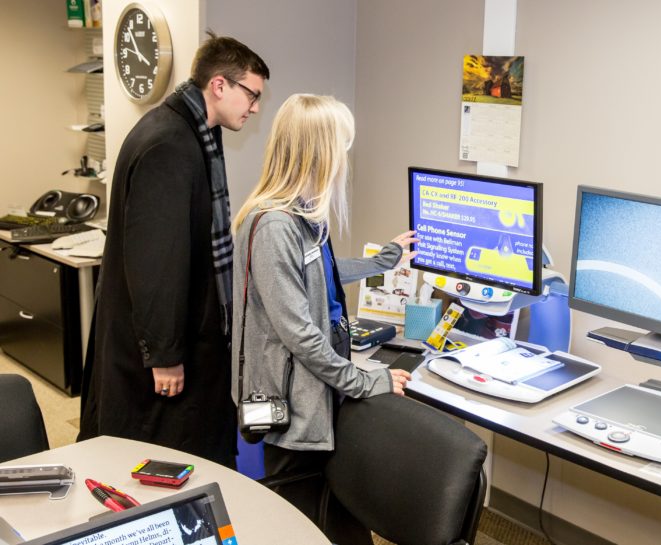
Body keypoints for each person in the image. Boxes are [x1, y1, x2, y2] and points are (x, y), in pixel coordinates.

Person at [78, 32, 270, 469]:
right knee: (162, 462)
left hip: (174, 334)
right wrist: (165, 356)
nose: (255, 107)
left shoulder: (186, 130)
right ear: (219, 85)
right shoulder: (170, 144)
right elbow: (157, 262)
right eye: (252, 95)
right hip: (159, 352)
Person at [231, 94, 415, 544]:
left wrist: (382, 261)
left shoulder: (301, 217)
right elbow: (301, 335)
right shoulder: (275, 226)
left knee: (340, 519)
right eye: (342, 146)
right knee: (304, 523)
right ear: (320, 152)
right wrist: (366, 381)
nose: (344, 160)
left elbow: (320, 274)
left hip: (314, 390)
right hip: (292, 406)